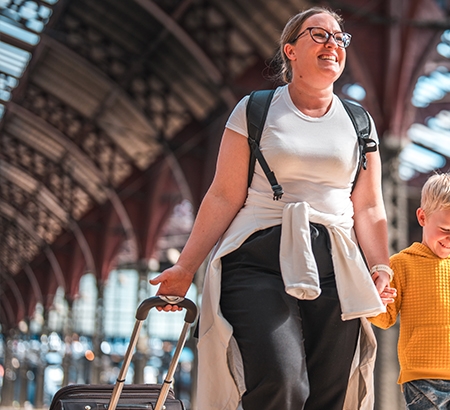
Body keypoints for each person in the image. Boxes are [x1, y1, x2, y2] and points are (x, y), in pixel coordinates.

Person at [149, 6, 396, 410]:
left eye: (339, 37)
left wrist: (381, 266)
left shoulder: (359, 121)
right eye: (319, 34)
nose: (332, 43)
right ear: (290, 50)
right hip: (258, 258)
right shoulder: (255, 109)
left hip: (338, 264)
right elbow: (224, 195)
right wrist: (185, 267)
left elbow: (368, 206)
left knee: (329, 394)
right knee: (283, 382)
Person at [370, 172, 450, 409]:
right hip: (420, 382)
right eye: (445, 229)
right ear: (422, 217)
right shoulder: (400, 265)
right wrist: (374, 300)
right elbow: (385, 319)